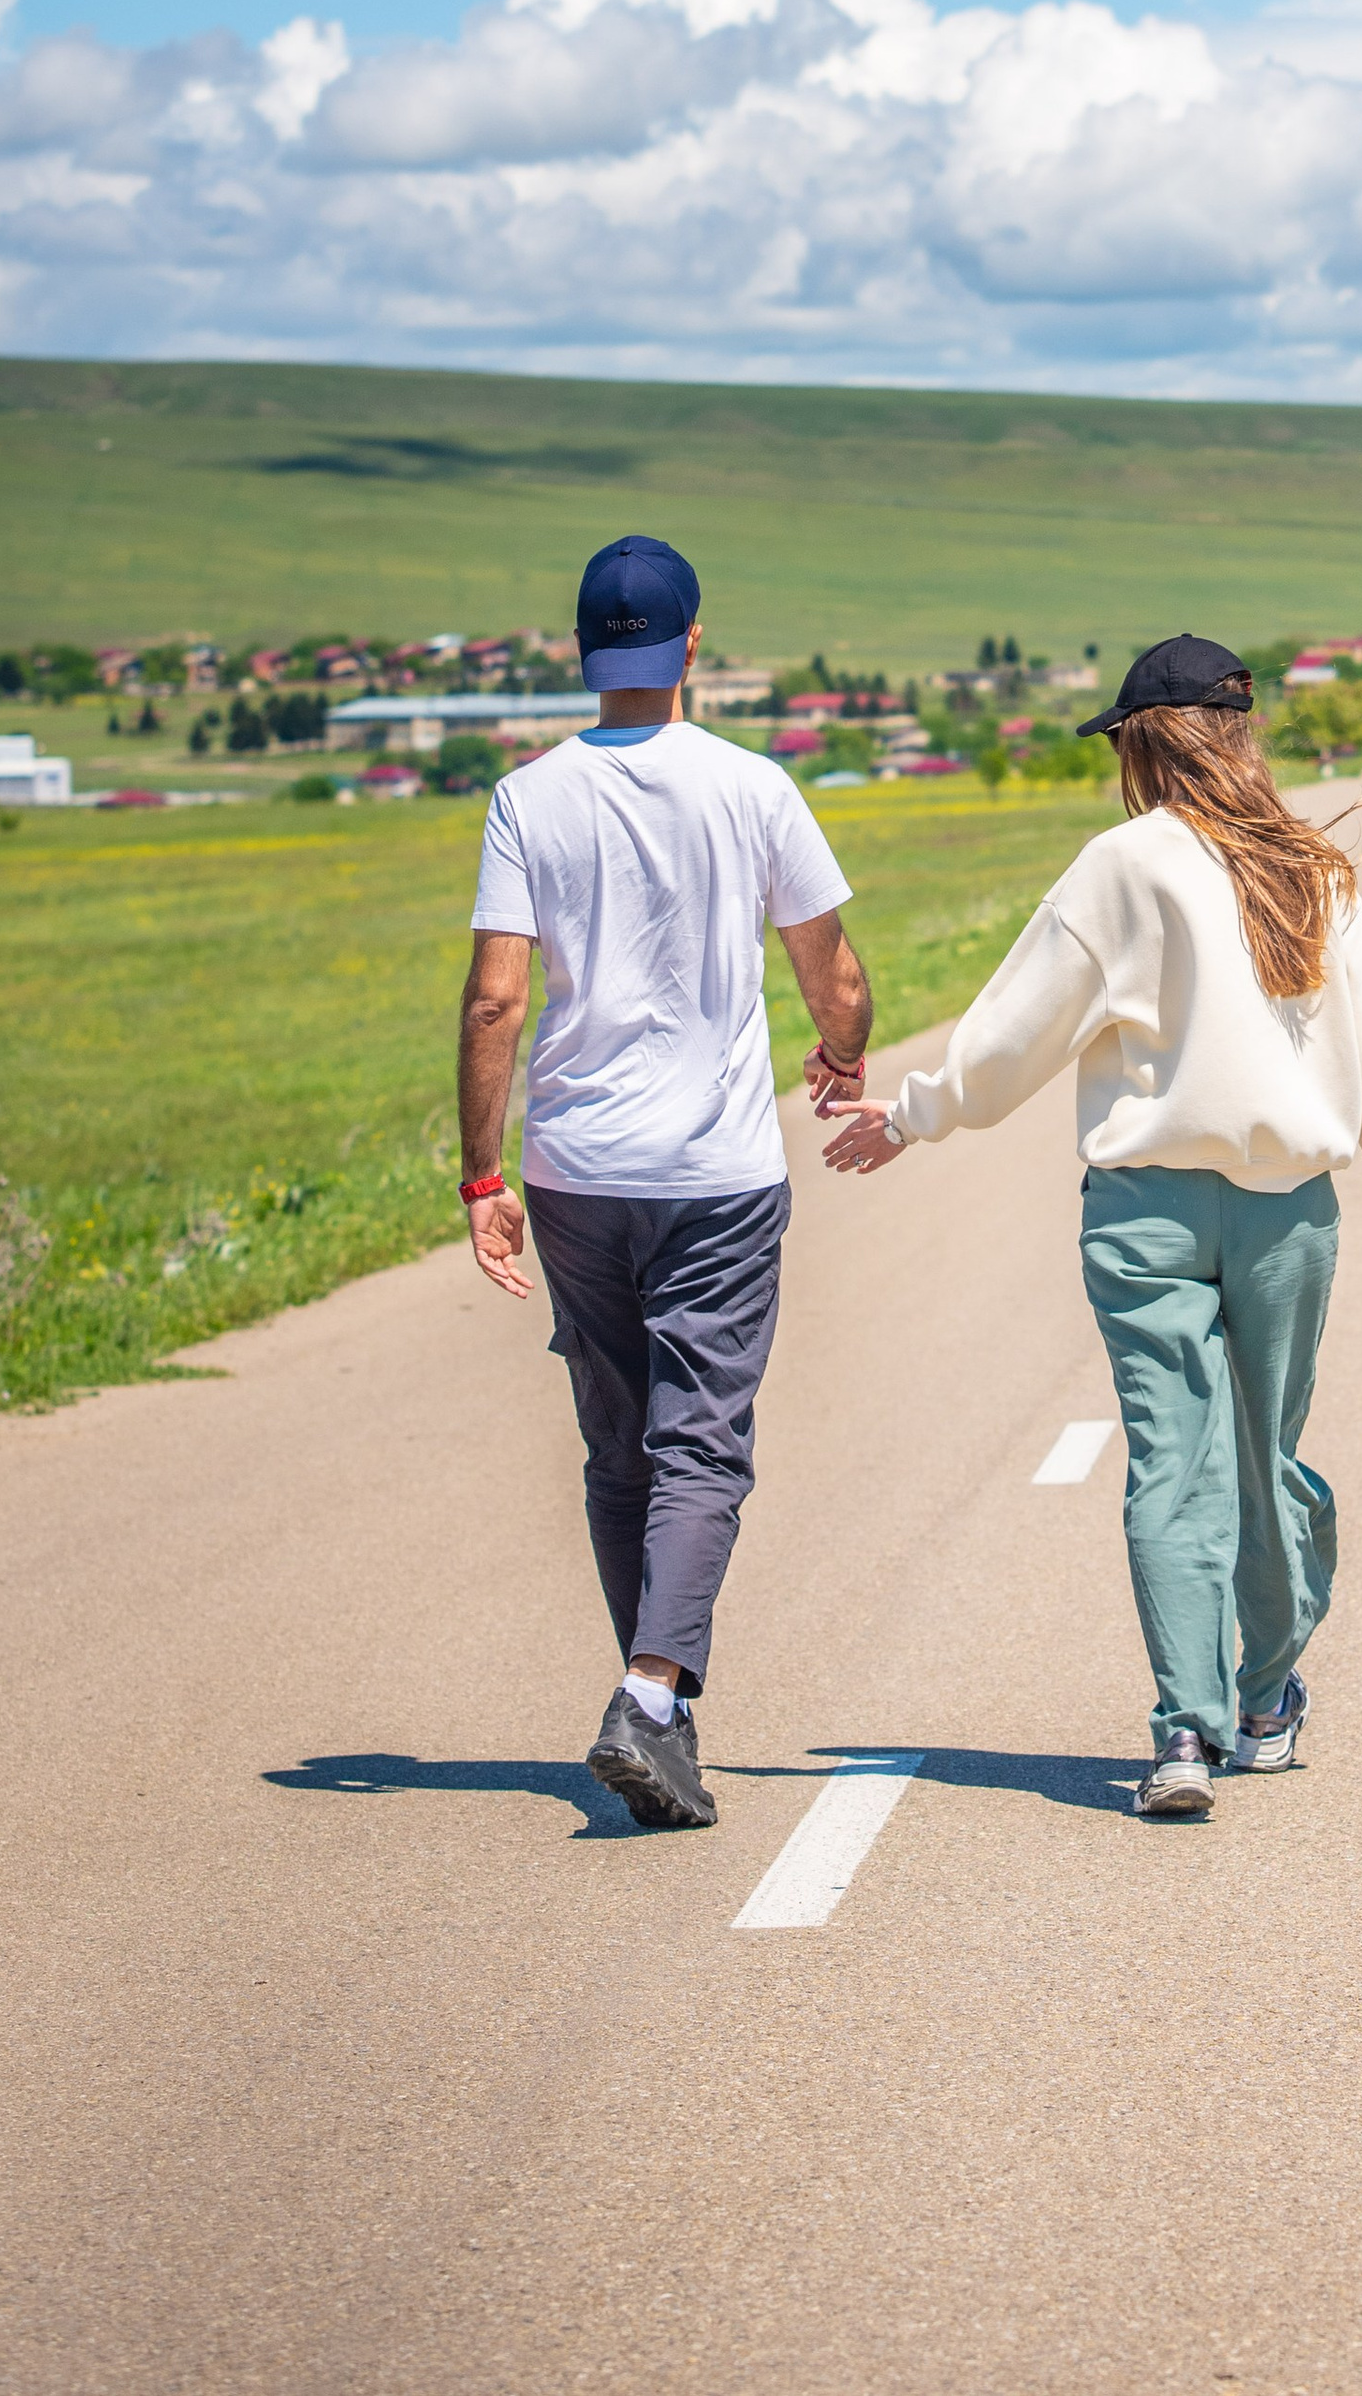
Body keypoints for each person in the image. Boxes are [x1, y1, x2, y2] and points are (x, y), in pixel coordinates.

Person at [824, 631, 1362, 1820]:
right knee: (1264, 1462)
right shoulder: (1311, 870)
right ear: (1237, 732)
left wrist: (912, 1118)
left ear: (1143, 743)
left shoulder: (1120, 866)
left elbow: (1016, 1030)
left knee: (1171, 1463)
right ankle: (1263, 1700)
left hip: (1142, 1212)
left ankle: (1183, 1733)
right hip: (1290, 1220)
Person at [457, 536, 874, 1831]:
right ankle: (648, 1694)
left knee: (618, 1443)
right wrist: (842, 1053)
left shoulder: (529, 797)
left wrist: (482, 1172)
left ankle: (659, 1707)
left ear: (582, 646)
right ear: (693, 642)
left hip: (577, 1172)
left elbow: (494, 1000)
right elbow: (833, 967)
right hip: (716, 1173)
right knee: (702, 1441)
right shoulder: (754, 787)